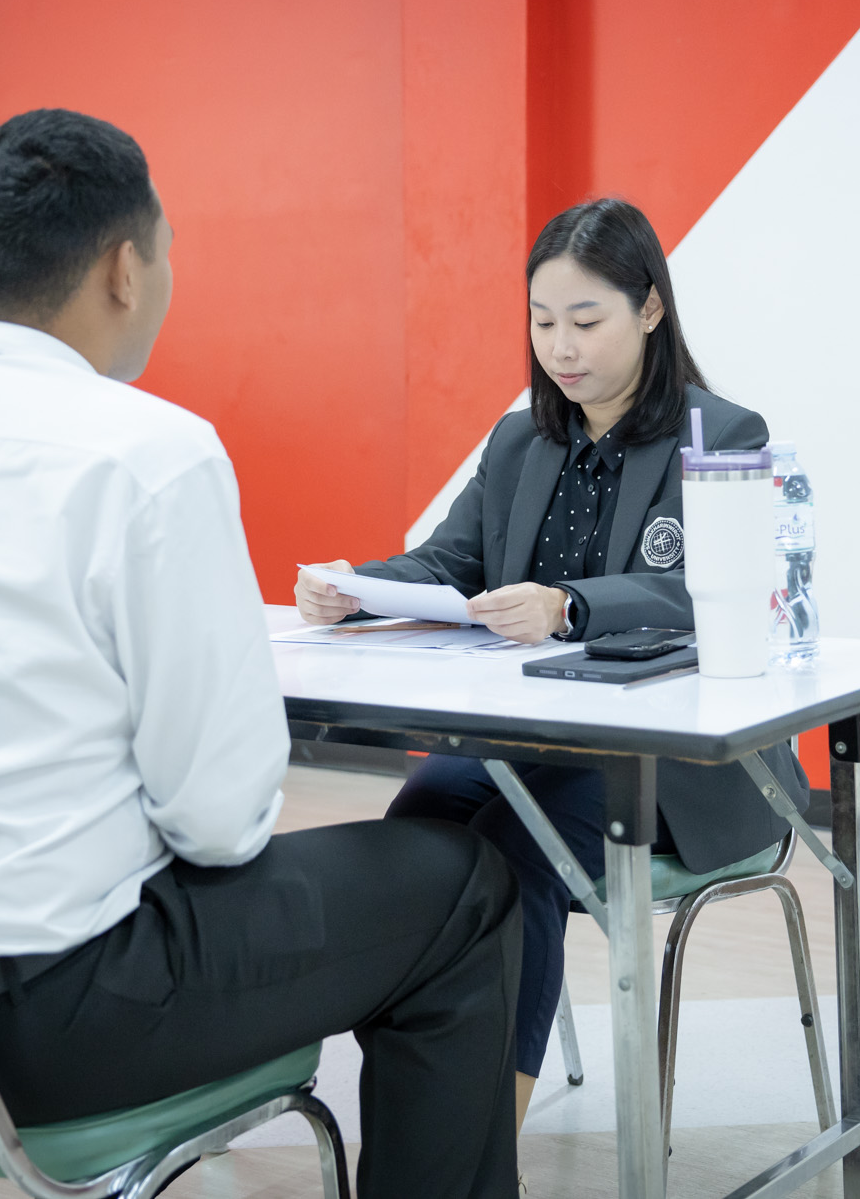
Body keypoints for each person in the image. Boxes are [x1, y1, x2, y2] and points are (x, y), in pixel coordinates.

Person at [0, 109, 521, 1199]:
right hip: (49, 1028)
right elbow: (219, 822)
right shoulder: (148, 453)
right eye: (166, 251)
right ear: (125, 267)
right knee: (463, 883)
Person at [295, 197, 814, 1131]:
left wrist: (567, 604)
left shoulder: (722, 433)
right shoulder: (521, 438)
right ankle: (427, 1109)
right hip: (541, 741)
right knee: (417, 825)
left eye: (585, 320)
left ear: (649, 308)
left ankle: (487, 1143)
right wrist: (356, 587)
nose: (561, 348)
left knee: (514, 852)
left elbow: (705, 591)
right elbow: (449, 561)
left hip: (673, 764)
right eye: (542, 323)